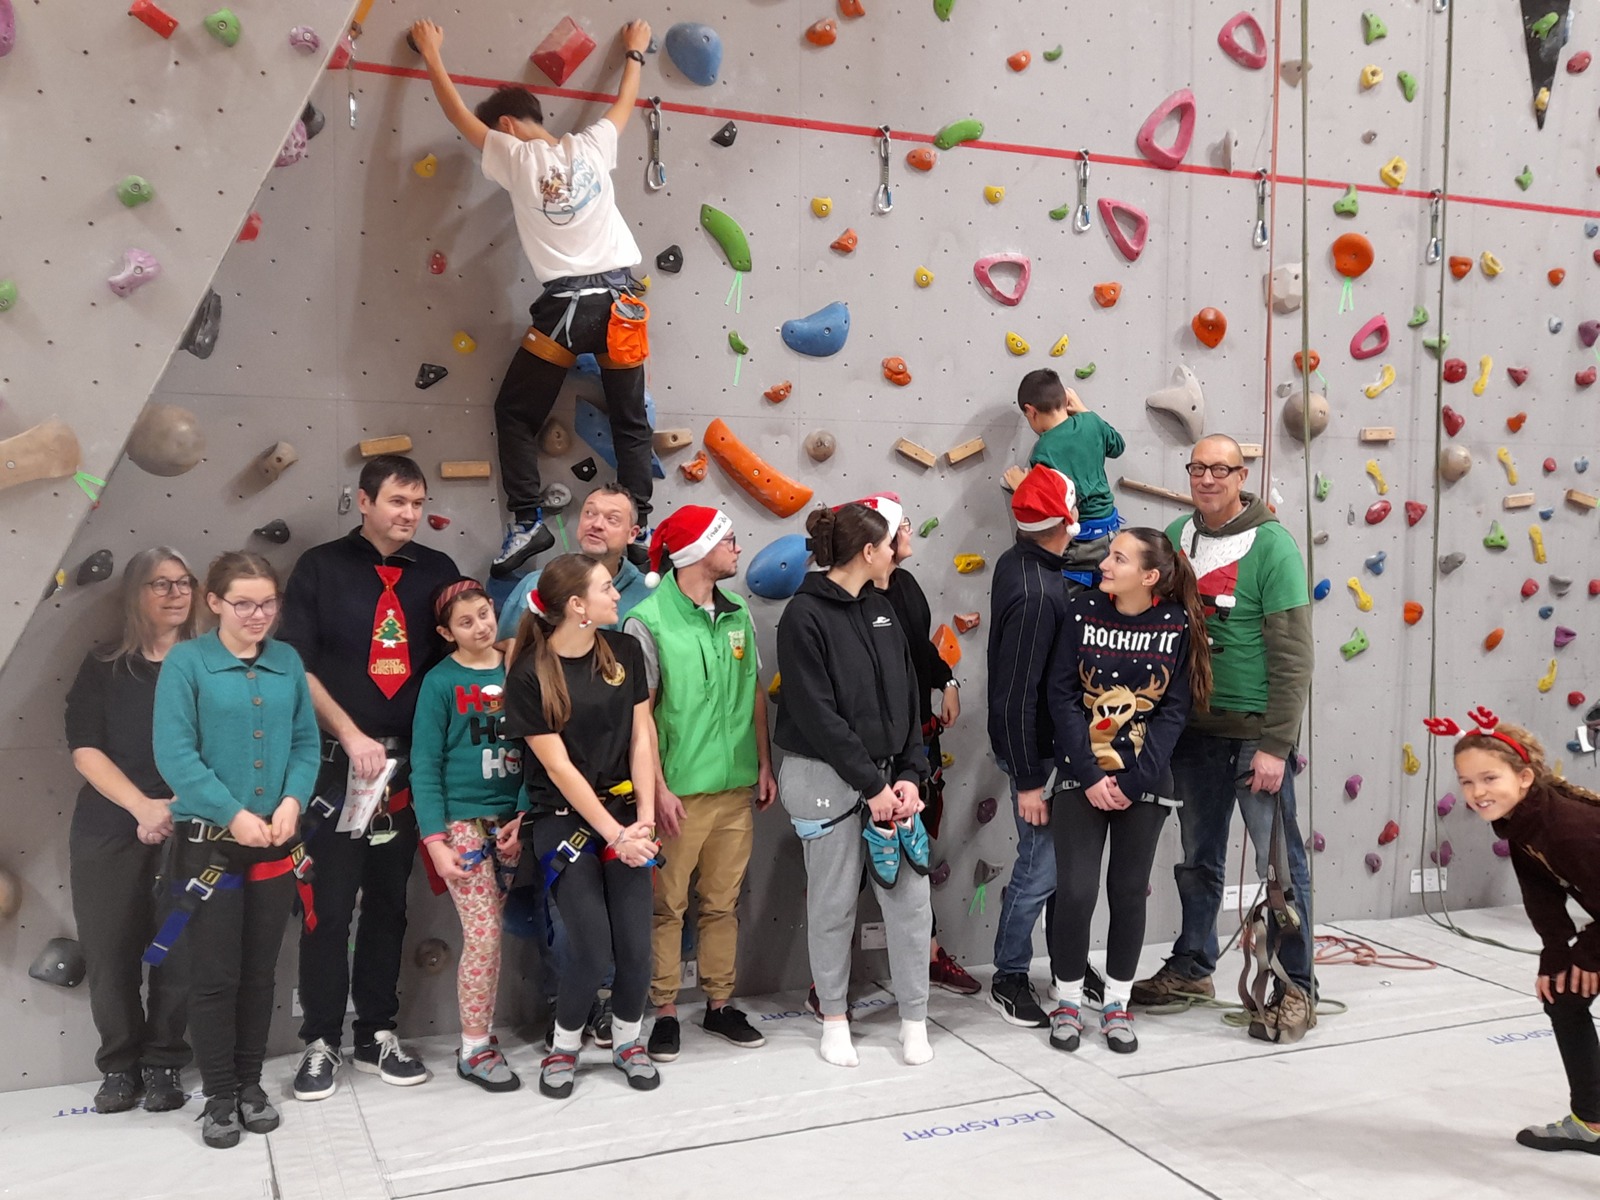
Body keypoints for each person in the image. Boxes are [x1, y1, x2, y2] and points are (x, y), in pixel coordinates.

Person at [412, 18, 655, 577]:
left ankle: (527, 521)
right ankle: (639, 525)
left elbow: (455, 113)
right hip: (622, 306)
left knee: (517, 413)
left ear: (504, 126)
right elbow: (624, 103)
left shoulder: (517, 158)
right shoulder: (593, 144)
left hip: (567, 310)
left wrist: (431, 51)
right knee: (630, 421)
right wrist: (634, 52)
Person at [277, 455, 461, 1100]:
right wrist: (351, 735)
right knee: (327, 908)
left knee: (389, 904)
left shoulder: (438, 572)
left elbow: (456, 664)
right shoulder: (320, 568)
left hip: (407, 770)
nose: (409, 514)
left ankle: (376, 1032)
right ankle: (321, 1041)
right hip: (336, 768)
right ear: (363, 501)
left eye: (417, 503)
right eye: (396, 502)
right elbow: (294, 665)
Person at [1131, 434, 1317, 1043]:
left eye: (1220, 469)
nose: (1207, 478)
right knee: (1197, 860)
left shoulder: (1273, 546)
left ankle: (1297, 988)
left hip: (1253, 735)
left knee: (1280, 871)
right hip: (1193, 731)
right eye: (1197, 468)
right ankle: (1193, 966)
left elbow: (1293, 656)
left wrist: (1276, 745)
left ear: (1241, 476)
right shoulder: (1178, 536)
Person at [152, 552, 320, 1148]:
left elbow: (305, 743)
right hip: (210, 852)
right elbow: (175, 754)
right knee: (214, 975)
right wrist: (233, 814)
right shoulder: (187, 662)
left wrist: (293, 801)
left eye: (267, 602)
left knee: (259, 973)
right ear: (214, 602)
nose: (258, 614)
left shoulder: (286, 661)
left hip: (273, 847)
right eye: (243, 603)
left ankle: (250, 1085)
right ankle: (220, 1096)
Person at [776, 499, 933, 1069]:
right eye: (890, 544)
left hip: (891, 778)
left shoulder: (883, 608)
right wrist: (871, 786)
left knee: (912, 905)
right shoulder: (803, 616)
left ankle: (914, 1019)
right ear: (869, 552)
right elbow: (816, 713)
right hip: (828, 779)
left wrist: (910, 773)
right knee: (834, 903)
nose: (897, 552)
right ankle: (835, 1019)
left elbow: (909, 698)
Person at [499, 554, 662, 1098]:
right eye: (606, 588)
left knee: (636, 948)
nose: (617, 595)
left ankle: (628, 1043)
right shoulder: (529, 673)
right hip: (564, 820)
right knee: (591, 949)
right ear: (577, 606)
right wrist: (615, 835)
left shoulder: (624, 651)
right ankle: (564, 1047)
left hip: (627, 815)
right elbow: (559, 769)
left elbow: (642, 737)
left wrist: (644, 820)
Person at [1044, 529, 1211, 1054]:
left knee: (1128, 891)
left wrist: (1135, 781)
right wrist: (1091, 774)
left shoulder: (1176, 624)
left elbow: (1174, 711)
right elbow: (1061, 694)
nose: (1105, 563)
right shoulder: (1081, 610)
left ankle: (1116, 1002)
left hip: (1145, 781)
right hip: (1081, 775)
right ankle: (1068, 999)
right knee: (1075, 891)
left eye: (1119, 558)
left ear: (1149, 576)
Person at [621, 506, 775, 1062]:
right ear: (694, 551)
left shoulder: (738, 612)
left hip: (735, 788)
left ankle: (719, 1004)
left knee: (722, 904)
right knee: (666, 907)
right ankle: (664, 1011)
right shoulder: (646, 620)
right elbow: (640, 715)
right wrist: (657, 790)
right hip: (678, 795)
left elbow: (753, 691)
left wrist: (763, 763)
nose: (738, 547)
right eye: (727, 539)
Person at [65, 547, 200, 1115]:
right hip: (109, 826)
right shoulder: (103, 666)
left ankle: (164, 1061)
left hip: (190, 825)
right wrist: (143, 807)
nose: (175, 593)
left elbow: (227, 748)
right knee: (110, 949)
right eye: (160, 584)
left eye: (184, 582)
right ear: (135, 594)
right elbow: (85, 750)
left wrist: (179, 807)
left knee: (179, 948)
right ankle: (119, 1066)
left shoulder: (209, 665)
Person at [1451, 717, 1600, 1154]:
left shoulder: (1567, 827)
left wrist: (1590, 952)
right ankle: (1592, 1121)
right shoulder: (1522, 822)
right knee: (1564, 993)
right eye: (1466, 782)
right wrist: (1556, 952)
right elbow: (1540, 893)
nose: (1477, 792)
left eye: (1489, 778)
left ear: (1524, 777)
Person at [411, 579, 526, 1092]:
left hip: (512, 823)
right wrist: (435, 841)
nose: (480, 627)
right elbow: (424, 764)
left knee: (493, 931)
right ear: (445, 633)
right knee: (483, 935)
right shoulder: (440, 683)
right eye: (465, 622)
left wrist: (523, 815)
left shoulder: (517, 666)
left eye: (484, 614)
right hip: (462, 823)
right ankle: (474, 1046)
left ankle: (482, 1031)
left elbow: (542, 747)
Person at [986, 465, 1080, 1028]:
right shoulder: (1038, 592)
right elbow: (1015, 694)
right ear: (1066, 520)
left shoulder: (1021, 562)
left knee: (1058, 866)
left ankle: (1065, 967)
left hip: (1045, 749)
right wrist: (1026, 780)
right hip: (1035, 754)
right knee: (1040, 867)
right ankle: (1009, 974)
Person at [875, 494, 978, 997]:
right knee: (851, 866)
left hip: (916, 741)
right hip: (874, 747)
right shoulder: (852, 599)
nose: (909, 532)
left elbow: (921, 651)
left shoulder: (907, 585)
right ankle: (825, 979)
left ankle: (931, 955)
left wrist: (948, 680)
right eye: (902, 526)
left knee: (915, 851)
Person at [498, 483, 652, 645]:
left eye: (612, 519)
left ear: (632, 534)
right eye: (589, 513)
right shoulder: (536, 585)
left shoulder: (648, 595)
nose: (597, 524)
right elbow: (506, 648)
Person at [1019, 368, 1125, 588]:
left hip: (1078, 541)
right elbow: (1117, 446)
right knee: (1109, 596)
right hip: (1111, 533)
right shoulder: (1091, 422)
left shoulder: (1043, 451)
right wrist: (1085, 411)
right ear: (1066, 400)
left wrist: (1021, 486)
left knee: (1069, 600)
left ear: (1031, 411)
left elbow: (1050, 506)